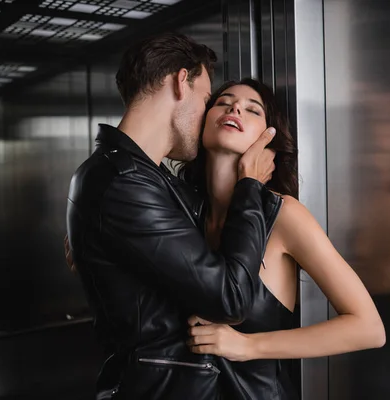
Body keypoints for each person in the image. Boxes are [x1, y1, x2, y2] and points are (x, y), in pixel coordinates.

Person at [66, 33, 279, 400]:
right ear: (182, 82)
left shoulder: (147, 177)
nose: (212, 113)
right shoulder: (123, 181)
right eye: (208, 98)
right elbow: (230, 300)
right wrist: (249, 184)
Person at [181, 79, 386, 399]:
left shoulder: (284, 215)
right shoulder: (182, 214)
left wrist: (249, 345)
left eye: (252, 109)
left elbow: (368, 328)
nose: (234, 108)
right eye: (223, 103)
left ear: (269, 141)